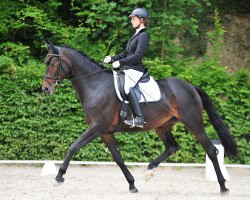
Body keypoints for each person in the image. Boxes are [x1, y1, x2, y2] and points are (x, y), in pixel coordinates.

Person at [104, 8, 149, 128]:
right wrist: (112, 59)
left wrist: (120, 62)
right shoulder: (135, 35)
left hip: (135, 69)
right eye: (132, 19)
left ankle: (139, 118)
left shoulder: (144, 36)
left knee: (128, 87)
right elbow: (126, 53)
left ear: (142, 20)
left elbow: (137, 56)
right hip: (128, 68)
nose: (131, 21)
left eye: (134, 19)